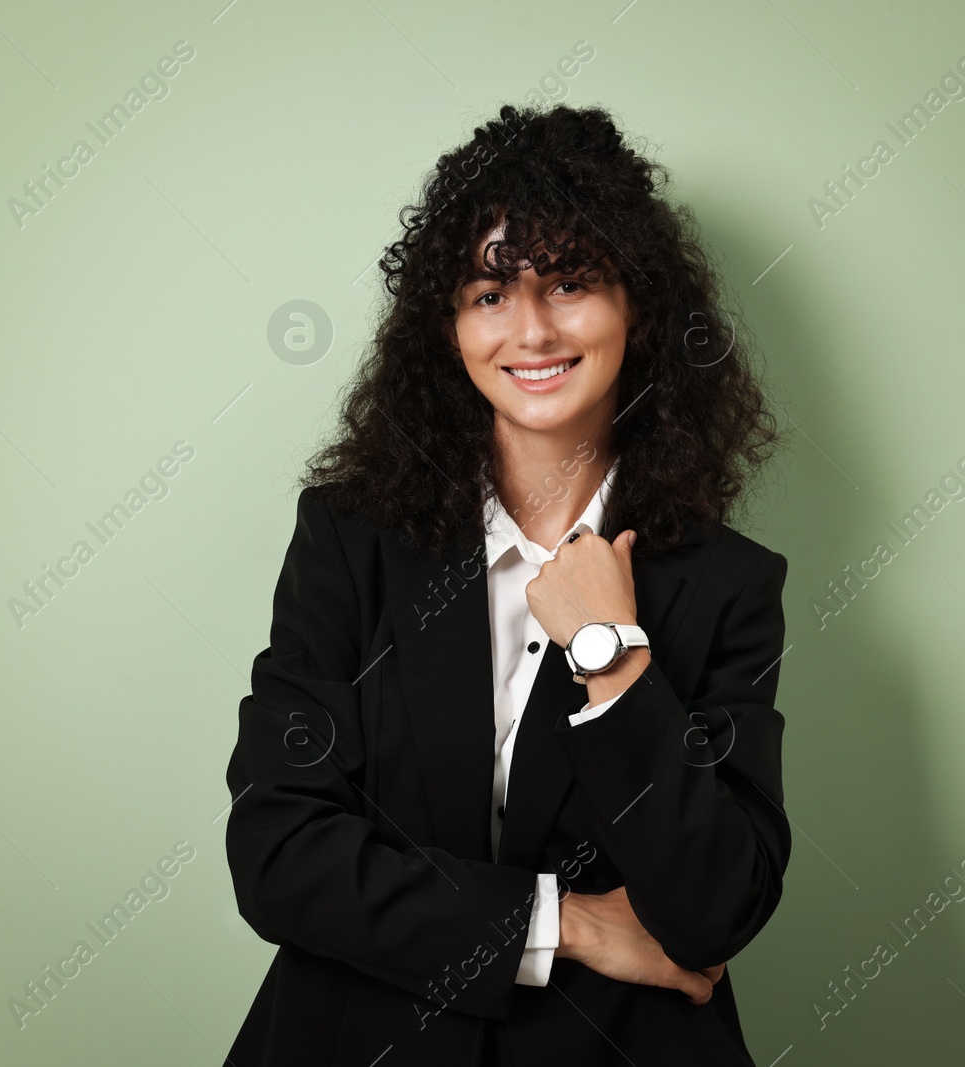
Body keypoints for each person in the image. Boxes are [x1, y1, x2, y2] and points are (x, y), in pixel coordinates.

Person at [224, 102, 791, 1066]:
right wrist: (559, 921)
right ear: (447, 327)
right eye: (489, 293)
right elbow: (279, 849)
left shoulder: (726, 584)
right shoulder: (349, 538)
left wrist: (613, 656)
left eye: (570, 282)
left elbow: (714, 910)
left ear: (636, 307)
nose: (530, 329)